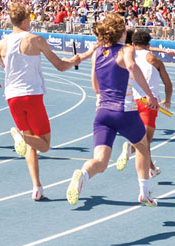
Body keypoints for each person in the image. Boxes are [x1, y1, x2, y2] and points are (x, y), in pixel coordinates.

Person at [0, 2, 82, 201]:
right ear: (26, 20)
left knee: (32, 145)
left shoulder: (2, 44)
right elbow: (60, 66)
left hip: (12, 97)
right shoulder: (35, 39)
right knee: (44, 144)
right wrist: (74, 61)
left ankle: (36, 187)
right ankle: (20, 137)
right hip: (32, 95)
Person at [65, 13, 160, 207]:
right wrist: (149, 95)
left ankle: (82, 174)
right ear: (123, 32)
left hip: (103, 113)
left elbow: (96, 87)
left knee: (100, 161)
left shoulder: (98, 52)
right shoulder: (126, 50)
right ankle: (145, 192)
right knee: (142, 147)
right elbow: (132, 67)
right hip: (124, 110)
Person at [114, 29, 172, 177]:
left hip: (129, 101)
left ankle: (151, 168)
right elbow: (168, 83)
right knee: (144, 142)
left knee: (144, 140)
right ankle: (130, 148)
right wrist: (168, 99)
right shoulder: (154, 59)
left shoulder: (125, 55)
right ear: (149, 44)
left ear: (133, 43)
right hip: (148, 102)